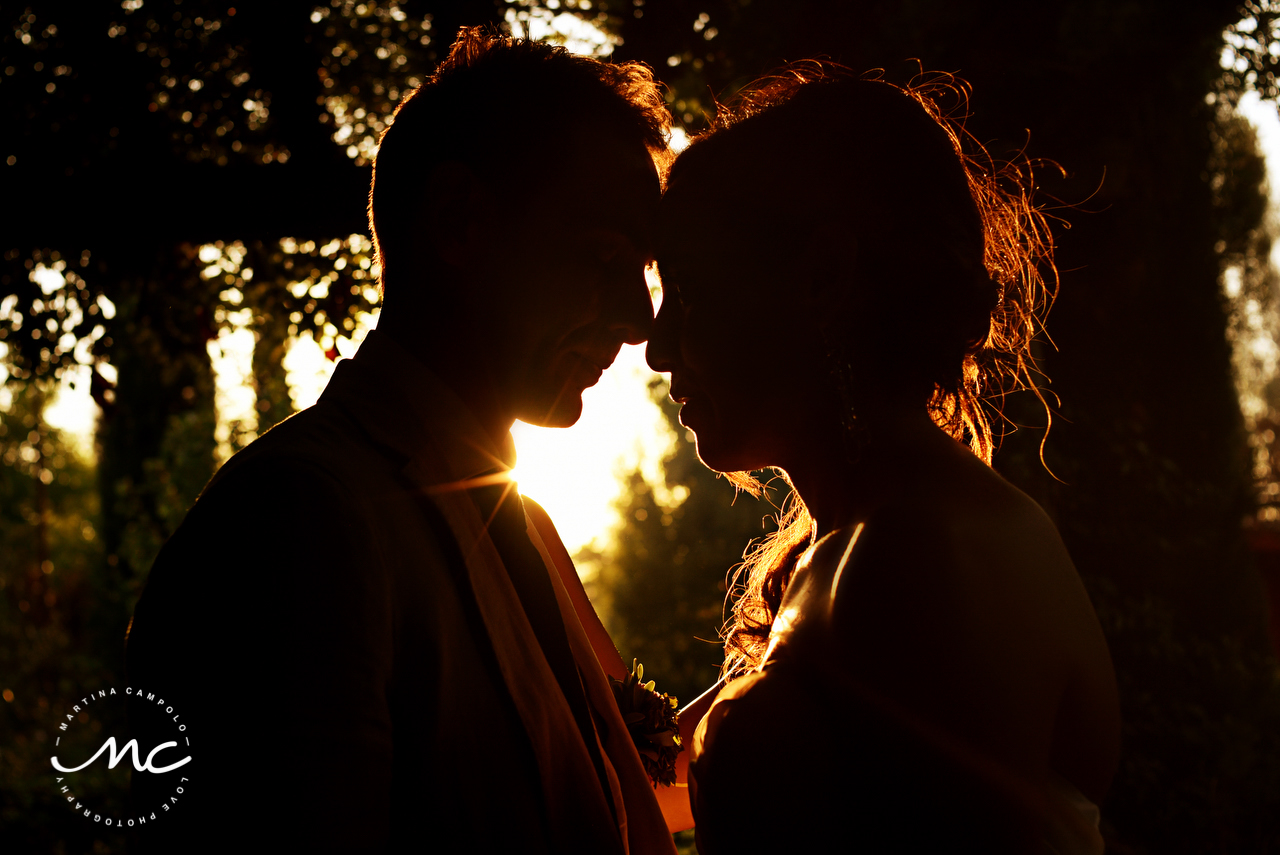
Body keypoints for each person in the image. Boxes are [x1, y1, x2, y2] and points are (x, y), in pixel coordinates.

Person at [125, 29, 680, 854]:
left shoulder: (521, 524)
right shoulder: (303, 517)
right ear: (461, 224)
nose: (639, 321)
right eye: (603, 257)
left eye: (646, 270)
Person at [647, 69, 1121, 853]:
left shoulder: (919, 556)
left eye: (690, 294)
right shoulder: (854, 540)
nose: (658, 348)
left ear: (824, 278)